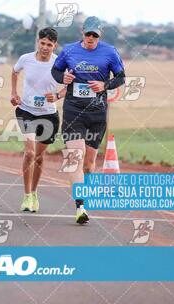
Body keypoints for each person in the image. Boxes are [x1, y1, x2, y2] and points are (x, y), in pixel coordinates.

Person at [51, 16, 126, 224]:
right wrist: (62, 78)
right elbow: (56, 70)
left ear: (99, 35)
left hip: (97, 112)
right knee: (75, 155)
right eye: (88, 34)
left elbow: (121, 77)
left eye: (95, 35)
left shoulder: (109, 52)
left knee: (89, 163)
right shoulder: (69, 50)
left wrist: (105, 86)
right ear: (82, 33)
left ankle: (86, 194)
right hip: (74, 110)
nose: (91, 38)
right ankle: (80, 207)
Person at [11, 27, 65, 213]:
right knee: (30, 153)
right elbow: (14, 72)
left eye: (49, 45)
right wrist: (13, 93)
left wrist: (57, 95)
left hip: (49, 114)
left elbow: (70, 83)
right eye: (42, 43)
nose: (45, 47)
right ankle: (26, 196)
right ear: (38, 42)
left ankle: (34, 193)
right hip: (26, 111)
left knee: (40, 157)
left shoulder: (59, 62)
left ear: (54, 45)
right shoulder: (26, 59)